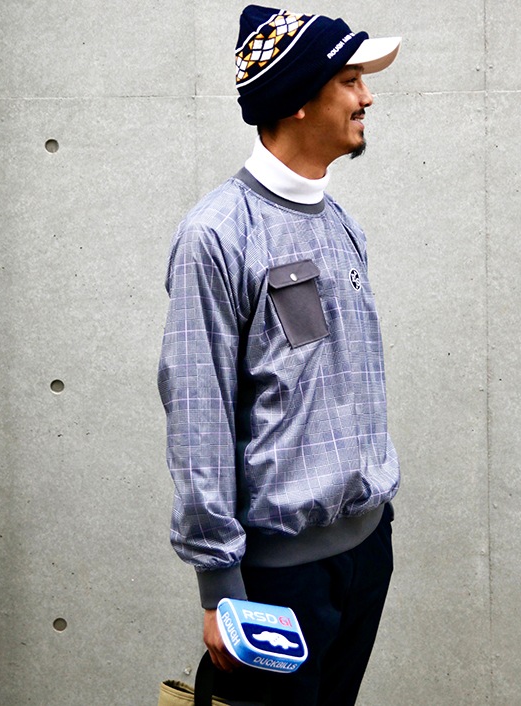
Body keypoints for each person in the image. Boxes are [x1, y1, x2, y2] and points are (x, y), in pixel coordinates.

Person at [158, 6, 401, 705]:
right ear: (297, 98)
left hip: (365, 553)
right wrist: (219, 584)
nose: (367, 97)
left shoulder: (340, 223)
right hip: (279, 580)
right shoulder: (216, 234)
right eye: (350, 80)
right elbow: (198, 410)